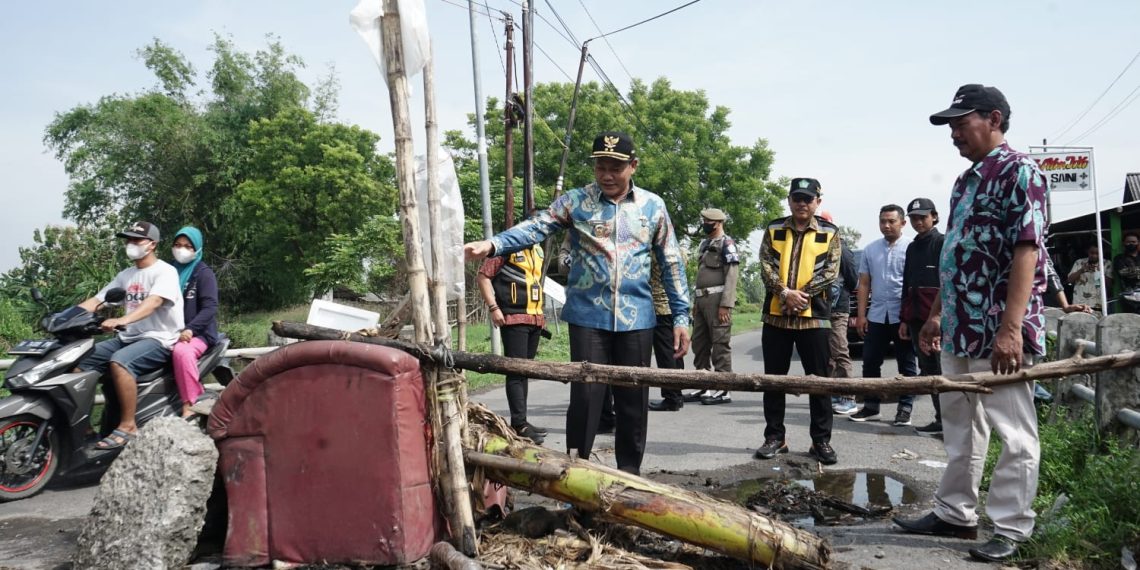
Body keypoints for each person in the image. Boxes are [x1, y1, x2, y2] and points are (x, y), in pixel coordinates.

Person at [464, 131, 691, 476]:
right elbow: (536, 227)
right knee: (585, 399)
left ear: (633, 166)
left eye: (616, 166)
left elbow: (672, 261)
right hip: (588, 318)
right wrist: (495, 244)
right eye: (601, 166)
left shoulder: (653, 206)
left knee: (633, 401)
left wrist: (681, 316)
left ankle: (630, 477)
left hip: (638, 320)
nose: (608, 174)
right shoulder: (576, 202)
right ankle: (576, 474)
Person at [894, 83, 1048, 563]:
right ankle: (956, 513)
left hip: (999, 331)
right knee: (960, 426)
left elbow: (1027, 251)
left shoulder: (1022, 172)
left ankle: (1010, 527)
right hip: (959, 327)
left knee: (1014, 433)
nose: (954, 133)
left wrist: (1010, 329)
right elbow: (958, 255)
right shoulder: (967, 181)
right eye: (952, 126)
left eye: (962, 123)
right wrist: (937, 315)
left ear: (995, 119)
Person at [753, 178, 840, 465]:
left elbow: (831, 270)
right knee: (773, 380)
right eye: (797, 198)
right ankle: (775, 437)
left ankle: (821, 441)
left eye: (808, 199)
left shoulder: (830, 232)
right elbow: (764, 263)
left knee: (820, 382)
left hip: (813, 318)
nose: (802, 204)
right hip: (775, 317)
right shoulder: (774, 228)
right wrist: (784, 293)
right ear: (789, 200)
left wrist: (801, 296)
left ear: (818, 202)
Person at [75, 222, 184, 449]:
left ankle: (128, 426)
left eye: (137, 240)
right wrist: (66, 317)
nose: (130, 244)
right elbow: (98, 300)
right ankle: (84, 428)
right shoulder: (126, 275)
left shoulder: (165, 271)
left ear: (152, 245)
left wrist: (122, 320)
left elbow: (153, 302)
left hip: (159, 338)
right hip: (128, 337)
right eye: (128, 240)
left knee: (120, 363)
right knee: (78, 362)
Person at [476, 210, 549, 444]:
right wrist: (493, 307)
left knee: (524, 372)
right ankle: (519, 424)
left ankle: (522, 421)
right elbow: (484, 275)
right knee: (515, 372)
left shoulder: (538, 249)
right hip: (514, 317)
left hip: (534, 319)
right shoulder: (506, 244)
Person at [850, 205, 918, 425]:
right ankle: (871, 407)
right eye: (882, 221)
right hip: (877, 315)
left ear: (902, 223)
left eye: (891, 221)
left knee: (906, 364)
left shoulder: (912, 247)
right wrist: (862, 315)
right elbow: (864, 284)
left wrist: (910, 318)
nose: (886, 226)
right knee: (870, 362)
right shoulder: (870, 249)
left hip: (902, 316)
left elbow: (914, 286)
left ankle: (905, 408)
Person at [677, 208, 739, 406]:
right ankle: (703, 384)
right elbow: (700, 276)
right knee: (700, 344)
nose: (704, 224)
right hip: (701, 300)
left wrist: (726, 305)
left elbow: (731, 276)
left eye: (707, 221)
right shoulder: (705, 244)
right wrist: (695, 304)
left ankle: (722, 388)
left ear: (718, 223)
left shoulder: (727, 244)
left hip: (717, 299)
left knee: (720, 344)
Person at [898, 198, 945, 435]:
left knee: (943, 369)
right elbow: (907, 283)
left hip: (937, 320)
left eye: (922, 217)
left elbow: (949, 283)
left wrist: (938, 317)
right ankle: (941, 419)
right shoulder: (912, 247)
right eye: (914, 218)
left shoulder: (942, 242)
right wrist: (905, 319)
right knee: (929, 370)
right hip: (916, 319)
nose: (918, 222)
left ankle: (952, 422)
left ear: (934, 217)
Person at [169, 226, 220, 419]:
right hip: (168, 332)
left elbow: (210, 308)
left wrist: (190, 329)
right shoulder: (167, 271)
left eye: (188, 246)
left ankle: (190, 404)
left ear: (197, 248)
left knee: (182, 351)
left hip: (199, 334)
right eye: (177, 245)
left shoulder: (203, 273)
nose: (181, 249)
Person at [820, 211, 859, 415]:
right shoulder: (815, 246)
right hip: (820, 310)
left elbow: (853, 280)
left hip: (837, 309)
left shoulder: (841, 248)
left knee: (839, 350)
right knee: (827, 355)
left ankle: (848, 397)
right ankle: (833, 393)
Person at [647, 259, 687, 411]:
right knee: (674, 352)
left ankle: (672, 397)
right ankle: (677, 394)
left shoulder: (656, 251)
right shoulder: (677, 252)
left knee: (666, 355)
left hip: (659, 306)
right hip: (673, 307)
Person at [1067, 242, 1107, 315]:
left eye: (1097, 253)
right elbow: (1069, 280)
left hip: (1098, 304)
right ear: (1087, 252)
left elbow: (1108, 285)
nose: (1094, 256)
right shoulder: (1079, 262)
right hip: (1079, 304)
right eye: (1092, 253)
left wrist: (1098, 272)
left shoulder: (1106, 264)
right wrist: (1081, 270)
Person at [1112, 232, 1140, 313]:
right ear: (1123, 243)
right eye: (1128, 242)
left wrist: (1133, 271)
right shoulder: (1119, 258)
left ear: (1138, 242)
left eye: (1133, 242)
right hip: (1129, 297)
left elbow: (1129, 272)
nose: (1131, 244)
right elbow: (1123, 272)